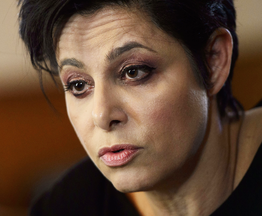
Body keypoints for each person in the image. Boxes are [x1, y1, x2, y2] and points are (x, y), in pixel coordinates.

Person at [18, 0, 262, 215]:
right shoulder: (65, 207)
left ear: (213, 61)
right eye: (78, 85)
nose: (101, 115)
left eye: (133, 72)